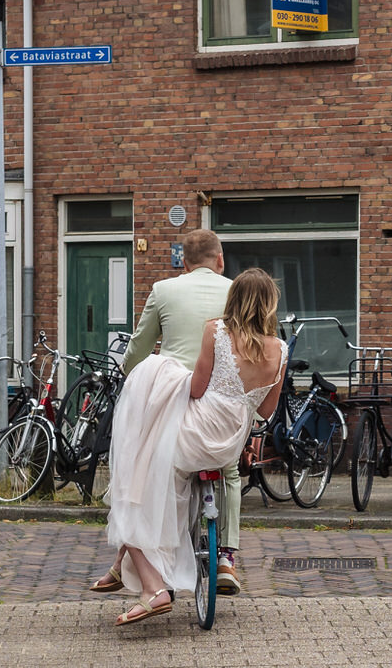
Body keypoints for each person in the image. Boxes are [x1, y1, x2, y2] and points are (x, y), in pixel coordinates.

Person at [90, 267, 285, 626]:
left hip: (193, 436)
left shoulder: (217, 331)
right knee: (154, 481)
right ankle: (125, 565)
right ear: (270, 305)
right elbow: (267, 410)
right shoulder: (281, 351)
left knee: (130, 488)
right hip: (227, 446)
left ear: (235, 300)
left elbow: (195, 389)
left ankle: (153, 588)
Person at [114, 228, 245, 594]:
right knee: (229, 469)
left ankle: (159, 566)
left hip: (172, 399)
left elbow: (140, 347)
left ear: (183, 264)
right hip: (218, 402)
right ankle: (227, 559)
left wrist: (127, 373)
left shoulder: (164, 290)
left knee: (159, 472)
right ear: (220, 260)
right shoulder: (235, 291)